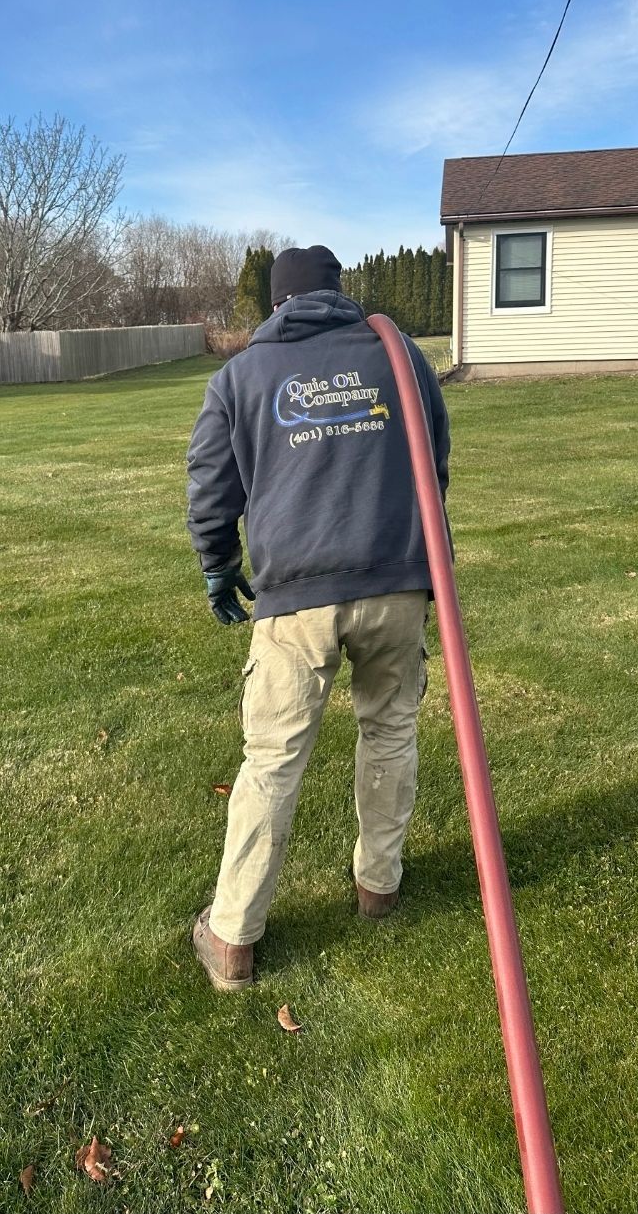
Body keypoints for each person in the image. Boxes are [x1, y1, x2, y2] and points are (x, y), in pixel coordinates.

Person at [186, 244, 450, 992]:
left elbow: (210, 482)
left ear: (275, 305)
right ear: (338, 295)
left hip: (296, 595)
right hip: (397, 579)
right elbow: (435, 457)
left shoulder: (241, 375)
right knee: (390, 728)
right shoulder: (398, 358)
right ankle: (379, 886)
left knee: (273, 756)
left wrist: (216, 562)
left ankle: (232, 936)